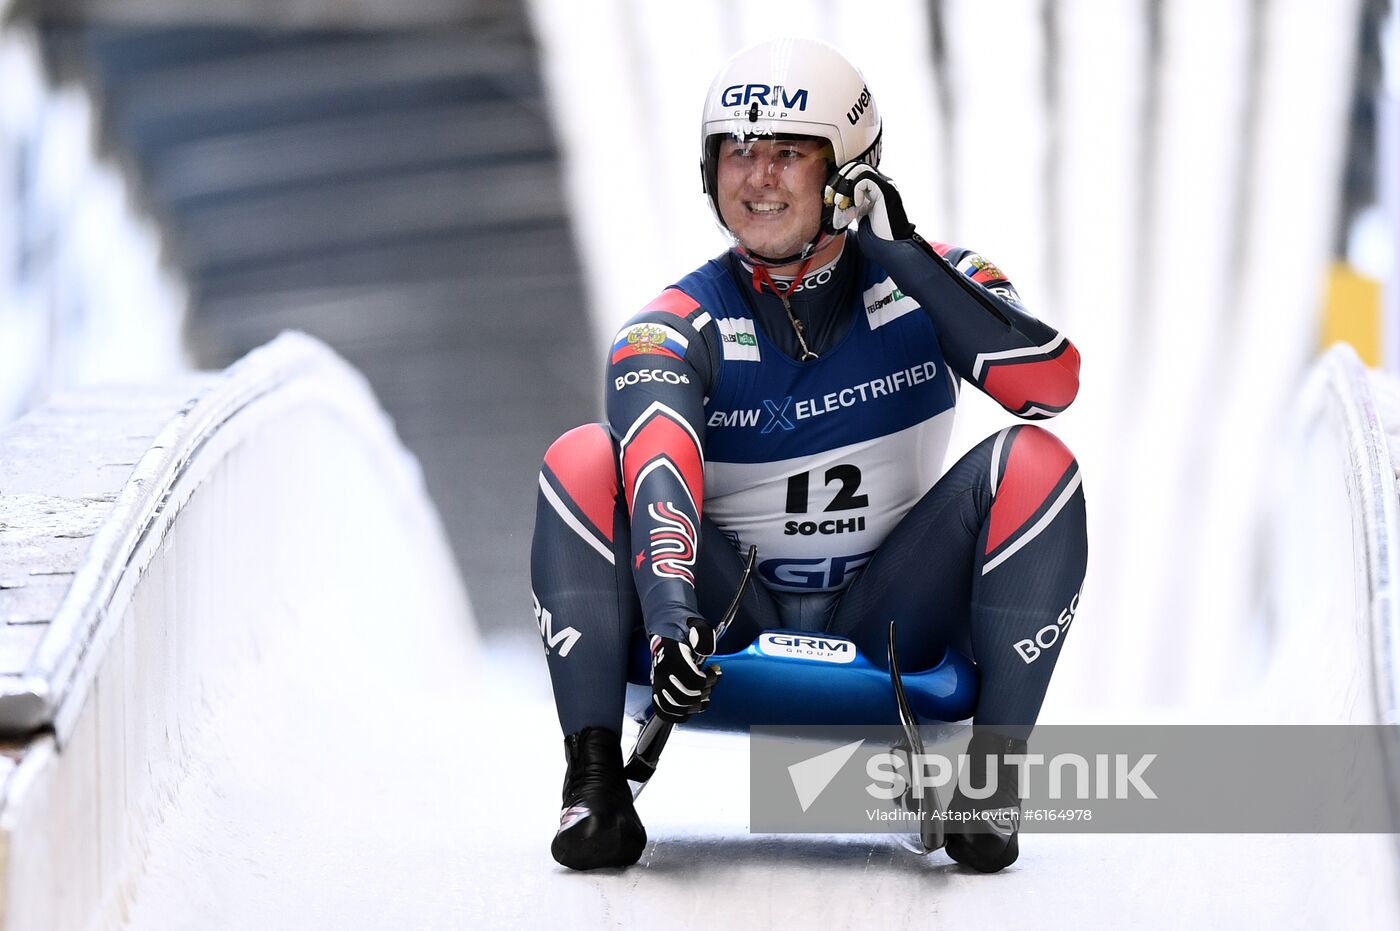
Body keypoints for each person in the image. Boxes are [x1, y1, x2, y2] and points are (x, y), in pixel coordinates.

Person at [530, 37, 1087, 873]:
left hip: (888, 619)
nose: (758, 177)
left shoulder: (945, 280)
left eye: (788, 153)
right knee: (581, 455)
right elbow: (655, 464)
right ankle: (596, 786)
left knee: (1040, 461)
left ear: (849, 171)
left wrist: (912, 263)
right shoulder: (675, 321)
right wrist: (674, 619)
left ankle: (992, 788)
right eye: (738, 151)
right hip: (720, 624)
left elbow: (1050, 385)